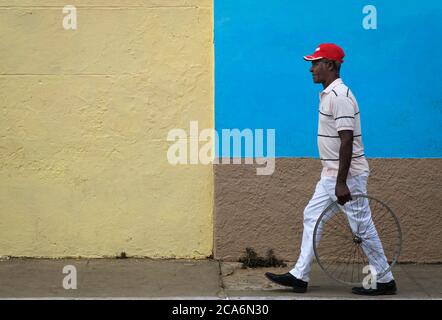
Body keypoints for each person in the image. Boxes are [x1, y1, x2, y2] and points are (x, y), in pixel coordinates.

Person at [265, 43, 397, 295]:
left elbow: (346, 140)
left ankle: (385, 279)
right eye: (312, 63)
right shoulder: (328, 94)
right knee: (312, 216)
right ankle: (299, 275)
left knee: (361, 227)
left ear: (331, 65)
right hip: (331, 174)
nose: (311, 69)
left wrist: (341, 182)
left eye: (316, 63)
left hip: (348, 176)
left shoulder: (340, 97)